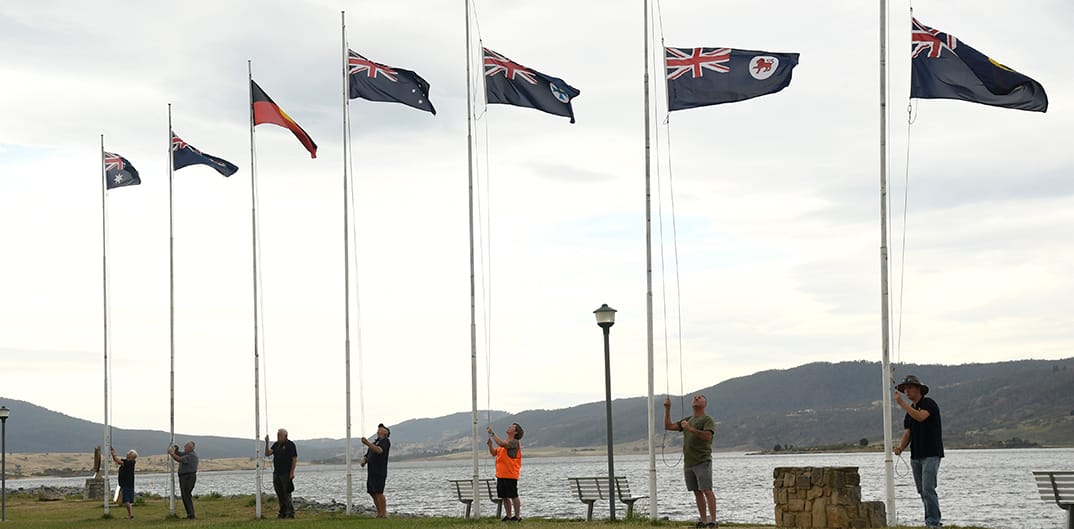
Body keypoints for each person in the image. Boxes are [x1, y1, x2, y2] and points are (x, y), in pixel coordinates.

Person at [894, 374, 944, 528]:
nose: (907, 392)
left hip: (931, 454)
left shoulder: (929, 404)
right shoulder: (909, 412)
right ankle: (930, 520)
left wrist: (902, 403)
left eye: (909, 388)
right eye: (905, 390)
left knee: (929, 488)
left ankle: (933, 522)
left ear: (918, 389)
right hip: (915, 455)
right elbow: (908, 432)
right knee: (922, 491)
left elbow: (921, 417)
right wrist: (901, 447)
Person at [664, 395, 718, 528]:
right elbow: (668, 426)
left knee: (707, 490)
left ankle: (713, 521)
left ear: (705, 404)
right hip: (689, 462)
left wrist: (690, 429)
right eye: (695, 397)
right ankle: (703, 521)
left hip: (702, 460)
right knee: (696, 491)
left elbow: (707, 436)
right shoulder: (687, 419)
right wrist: (667, 409)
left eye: (700, 398)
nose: (696, 398)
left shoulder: (707, 419)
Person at [487, 422, 524, 522]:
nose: (509, 427)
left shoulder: (514, 442)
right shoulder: (505, 441)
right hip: (501, 474)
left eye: (512, 427)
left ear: (515, 432)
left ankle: (517, 517)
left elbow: (501, 444)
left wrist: (492, 434)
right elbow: (494, 453)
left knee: (513, 496)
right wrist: (490, 445)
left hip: (510, 474)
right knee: (504, 496)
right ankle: (508, 515)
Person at [265, 428, 298, 519]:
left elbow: (294, 459)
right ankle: (282, 512)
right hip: (277, 473)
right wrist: (267, 443)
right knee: (279, 493)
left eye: (279, 435)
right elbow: (267, 453)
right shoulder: (276, 445)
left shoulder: (290, 445)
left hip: (286, 473)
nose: (278, 437)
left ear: (285, 436)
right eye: (277, 435)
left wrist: (292, 472)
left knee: (286, 493)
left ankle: (290, 513)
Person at [359, 423, 391, 518]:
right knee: (372, 492)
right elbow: (369, 454)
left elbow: (379, 451)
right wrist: (364, 460)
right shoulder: (374, 443)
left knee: (379, 492)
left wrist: (367, 443)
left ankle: (384, 514)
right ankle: (379, 513)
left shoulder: (385, 442)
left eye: (381, 429)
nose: (379, 430)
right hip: (371, 471)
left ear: (385, 432)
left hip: (379, 471)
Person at [167, 441, 199, 519]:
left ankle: (191, 515)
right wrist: (176, 450)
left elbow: (179, 459)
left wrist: (171, 453)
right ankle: (190, 514)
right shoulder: (187, 454)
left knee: (186, 496)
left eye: (185, 447)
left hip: (188, 477)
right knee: (185, 496)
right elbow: (179, 454)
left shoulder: (191, 456)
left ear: (190, 448)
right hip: (185, 477)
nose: (184, 448)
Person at [109, 446, 138, 519]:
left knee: (126, 500)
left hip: (127, 484)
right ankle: (130, 515)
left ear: (132, 456)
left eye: (129, 453)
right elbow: (116, 460)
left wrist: (113, 453)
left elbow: (118, 461)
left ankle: (130, 515)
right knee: (126, 500)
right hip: (125, 484)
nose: (127, 453)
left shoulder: (130, 462)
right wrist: (113, 454)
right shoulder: (126, 461)